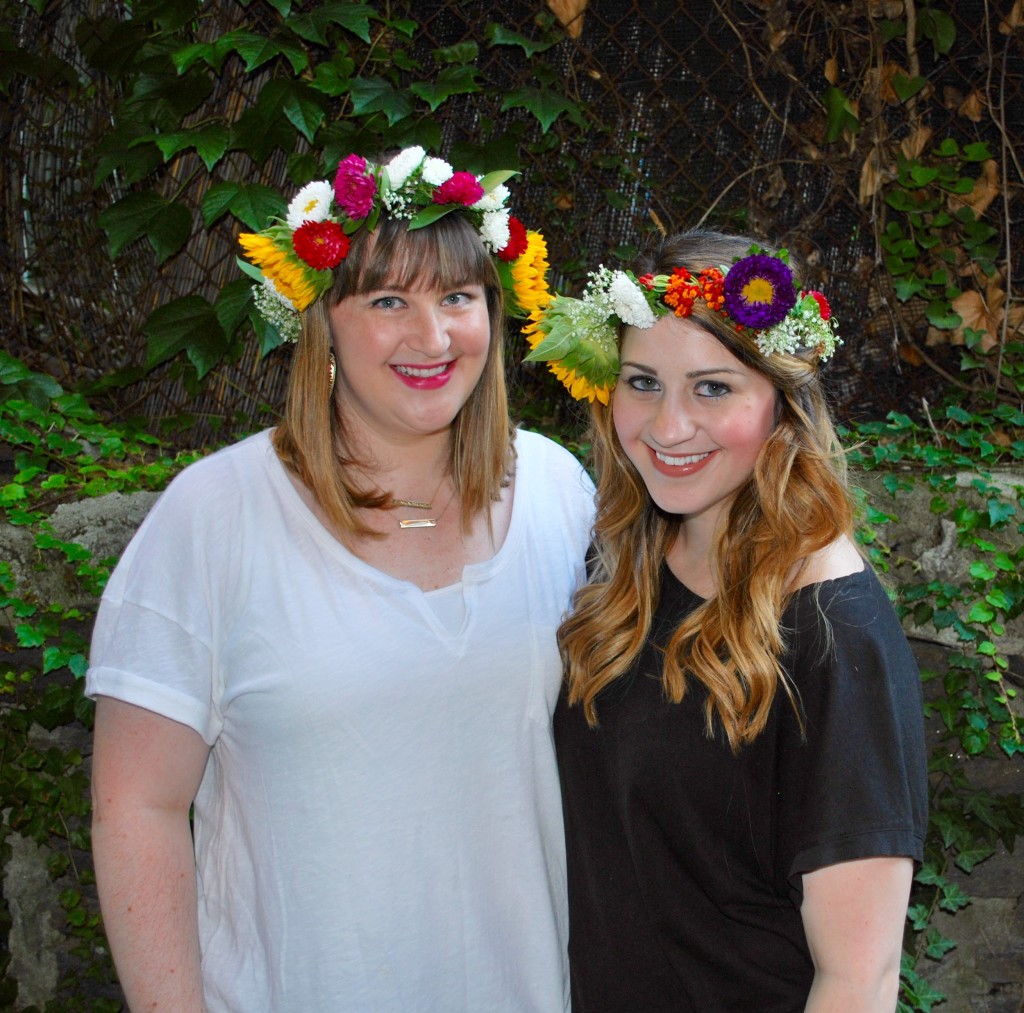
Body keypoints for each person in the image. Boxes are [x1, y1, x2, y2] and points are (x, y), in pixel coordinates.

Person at [87, 147, 594, 1012]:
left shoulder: (559, 493)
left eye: (457, 298)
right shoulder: (217, 516)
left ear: (495, 313)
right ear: (323, 319)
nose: (431, 338)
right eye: (389, 300)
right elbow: (137, 805)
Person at [526, 229, 928, 1011]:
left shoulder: (833, 634)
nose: (668, 426)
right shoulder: (623, 571)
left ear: (782, 403)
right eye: (643, 381)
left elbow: (860, 977)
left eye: (713, 388)